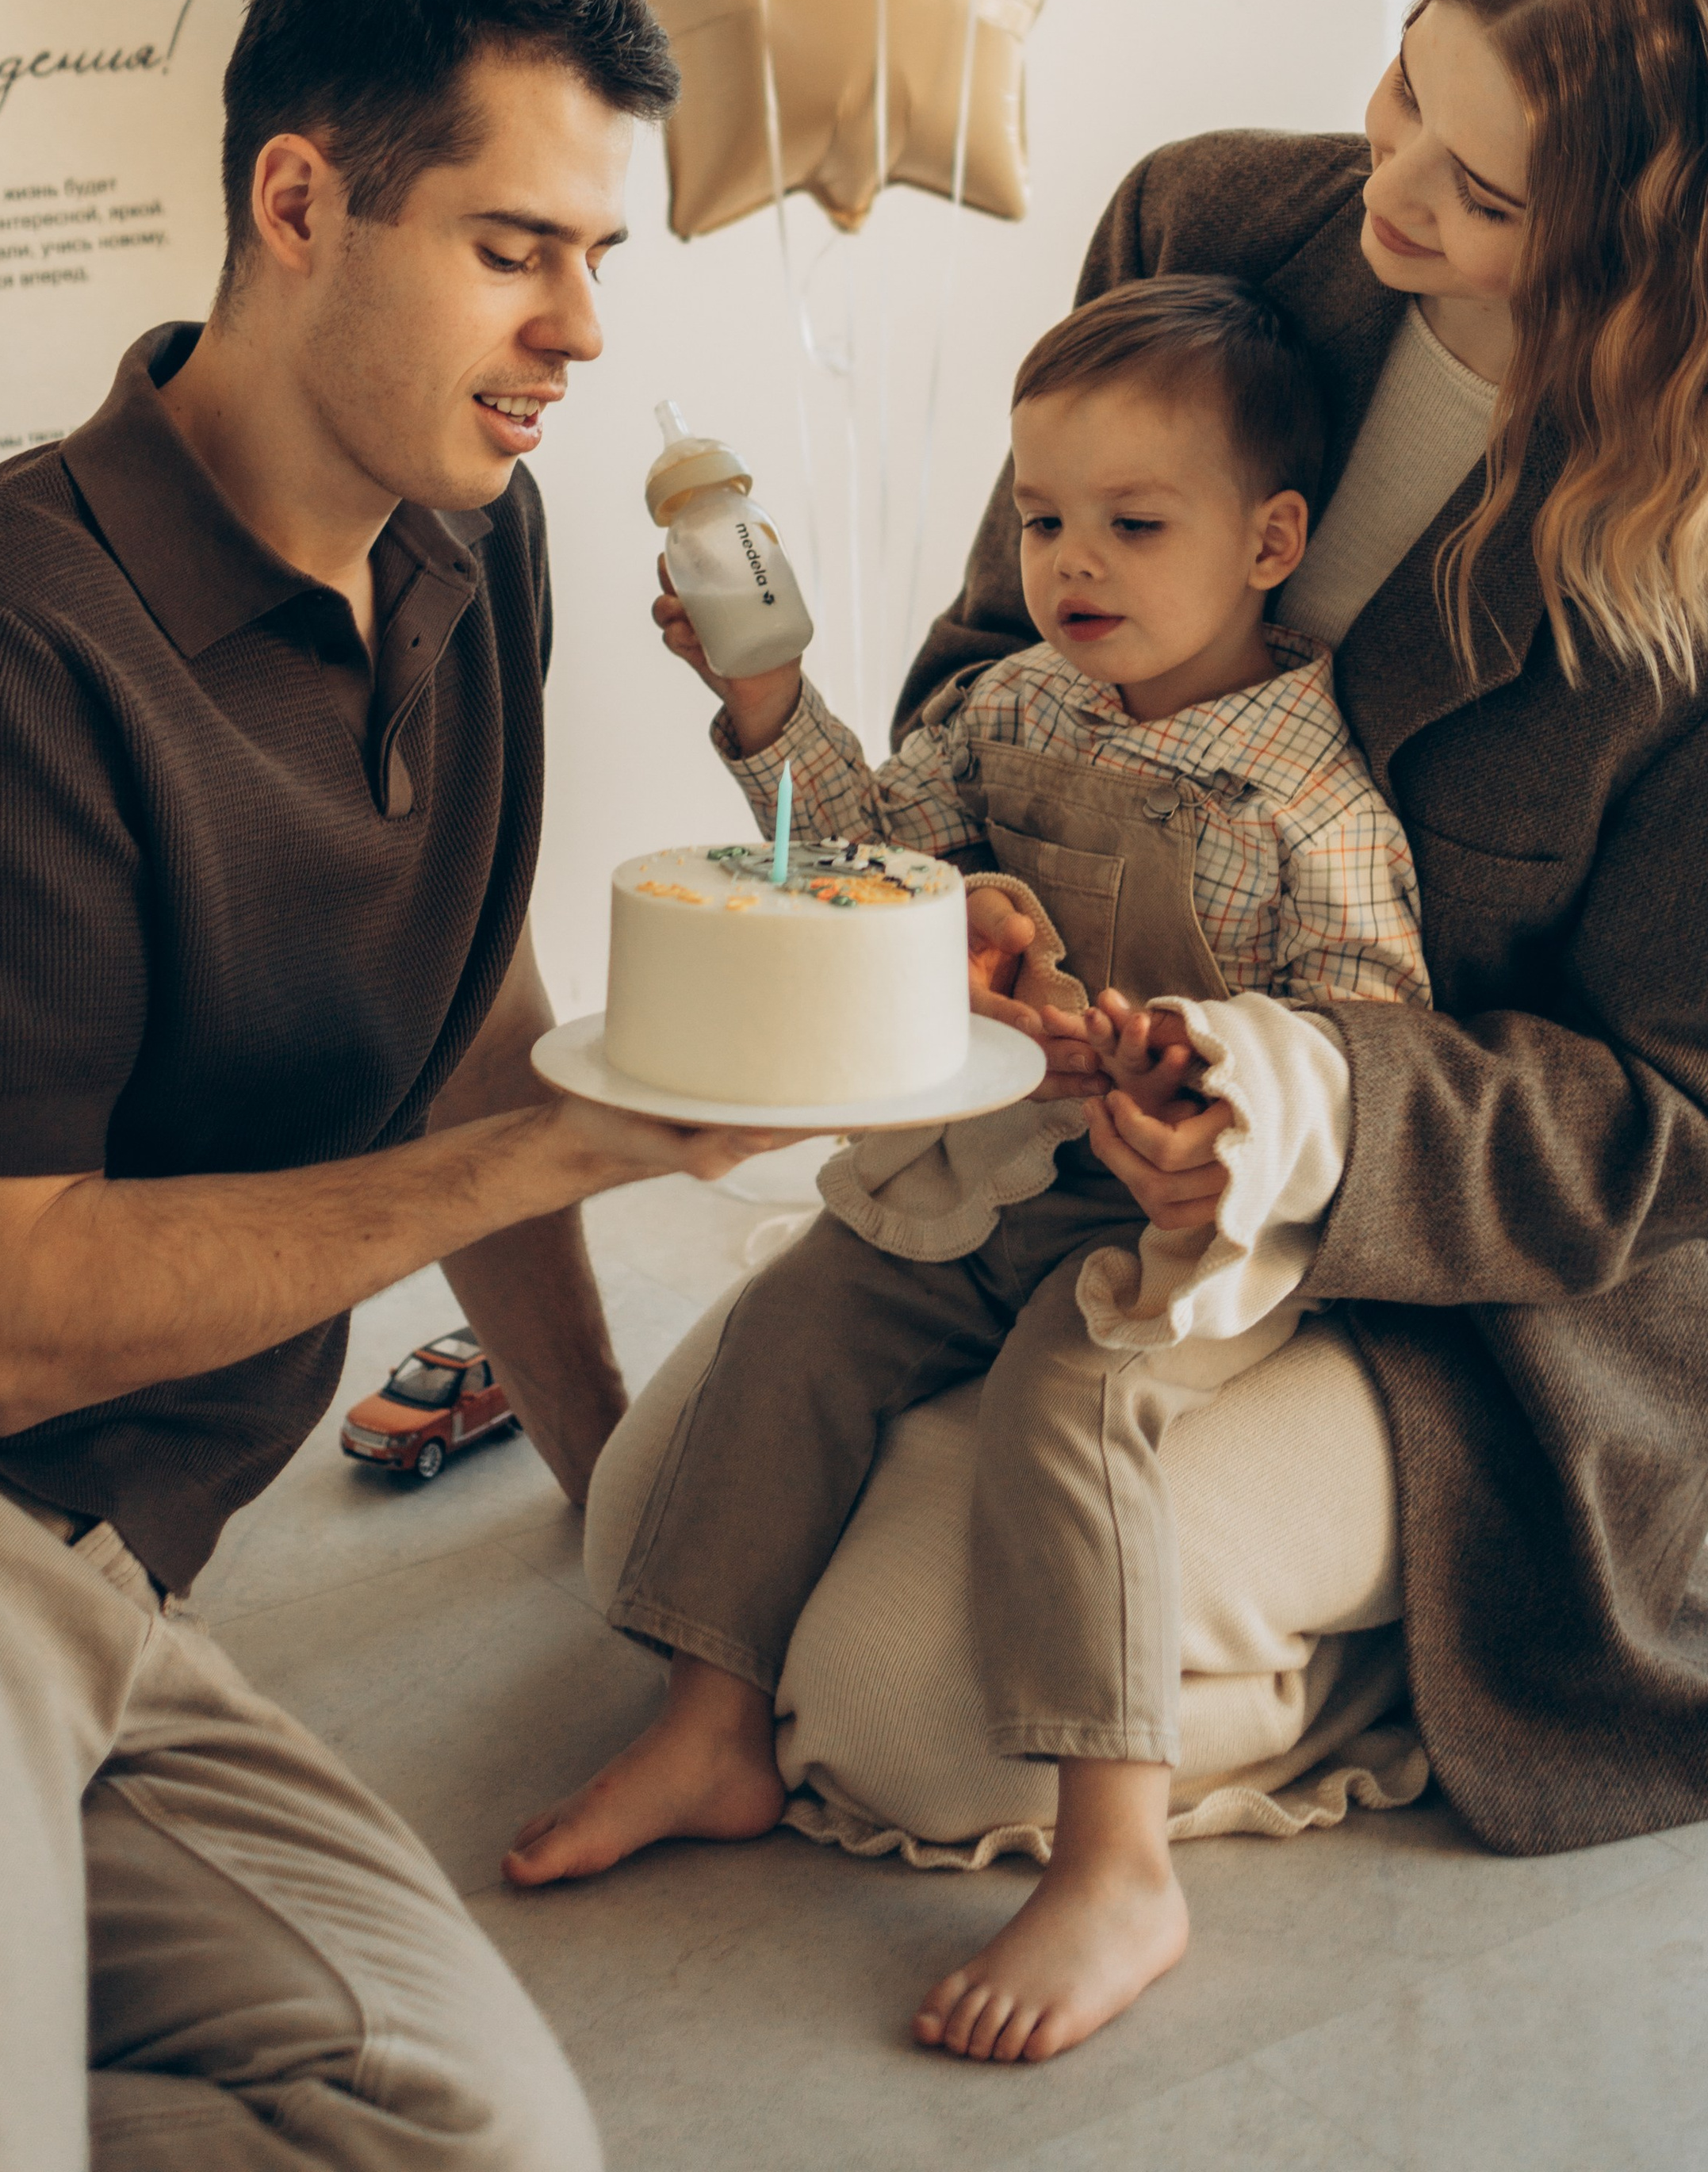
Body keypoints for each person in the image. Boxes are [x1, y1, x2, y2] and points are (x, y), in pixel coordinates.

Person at [578, 0, 1708, 2059]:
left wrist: (1291, 1113)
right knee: (646, 1528)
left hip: (1469, 1276)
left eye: (1489, 196)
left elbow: (1697, 1133)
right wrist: (968, 918)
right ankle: (1111, 1563)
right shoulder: (1217, 232)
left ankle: (1402, 1636)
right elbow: (973, 676)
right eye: (1410, 87)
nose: (1394, 191)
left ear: (1652, 258)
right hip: (1053, 1154)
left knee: (904, 1716)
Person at [0, 0, 796, 2172]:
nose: (580, 329)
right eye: (519, 246)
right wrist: (575, 1150)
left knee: (474, 2136)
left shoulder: (459, 531)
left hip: (106, 1568)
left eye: (599, 257)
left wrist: (608, 1476)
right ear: (297, 203)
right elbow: (6, 1323)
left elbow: (471, 994)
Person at [505, 276, 1431, 2059]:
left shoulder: (1313, 806)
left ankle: (1110, 1859)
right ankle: (710, 1717)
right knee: (797, 1321)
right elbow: (853, 861)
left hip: (1187, 1221)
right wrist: (766, 695)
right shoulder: (1014, 707)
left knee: (1067, 1407)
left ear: (1270, 540)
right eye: (1039, 518)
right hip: (992, 1166)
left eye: (1131, 523)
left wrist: (1209, 1088)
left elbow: (1373, 1048)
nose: (1068, 559)